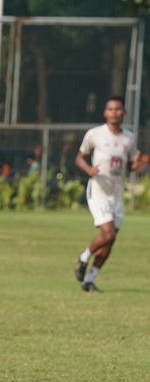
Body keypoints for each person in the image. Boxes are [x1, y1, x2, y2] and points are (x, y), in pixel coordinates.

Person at [74, 96, 141, 292]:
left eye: (118, 109)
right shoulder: (95, 134)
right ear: (105, 112)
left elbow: (129, 164)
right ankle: (83, 257)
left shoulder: (129, 137)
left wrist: (134, 165)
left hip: (116, 193)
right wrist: (88, 170)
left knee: (111, 240)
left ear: (124, 113)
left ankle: (90, 280)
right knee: (108, 233)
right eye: (110, 109)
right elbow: (79, 157)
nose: (114, 112)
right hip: (98, 190)